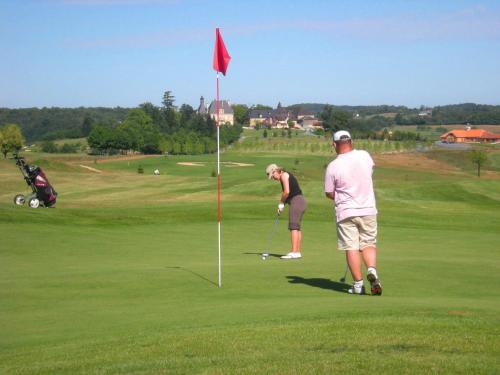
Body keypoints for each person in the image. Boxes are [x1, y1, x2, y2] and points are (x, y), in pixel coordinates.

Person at [324, 130, 382, 295]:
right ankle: (371, 269)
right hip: (368, 208)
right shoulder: (364, 155)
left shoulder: (333, 166)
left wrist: (342, 196)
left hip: (346, 211)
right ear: (351, 141)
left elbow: (329, 192)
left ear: (334, 144)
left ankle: (358, 285)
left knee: (351, 247)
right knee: (369, 243)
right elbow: (370, 172)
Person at [266, 163, 307, 259]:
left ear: (275, 171)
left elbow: (287, 192)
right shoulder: (284, 176)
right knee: (296, 228)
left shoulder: (284, 175)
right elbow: (286, 193)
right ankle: (297, 252)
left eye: (273, 176)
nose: (273, 178)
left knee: (293, 227)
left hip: (296, 201)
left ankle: (294, 252)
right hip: (300, 201)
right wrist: (282, 205)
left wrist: (281, 203)